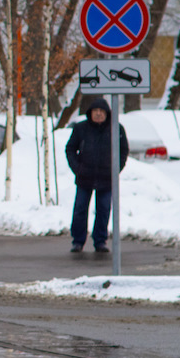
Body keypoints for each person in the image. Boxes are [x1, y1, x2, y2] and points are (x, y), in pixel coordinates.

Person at [65, 98, 129, 253]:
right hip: (84, 177)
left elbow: (123, 150)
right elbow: (70, 149)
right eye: (95, 111)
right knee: (80, 209)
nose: (99, 114)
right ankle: (78, 241)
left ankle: (100, 241)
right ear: (90, 113)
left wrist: (115, 169)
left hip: (106, 178)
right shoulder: (81, 128)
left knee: (104, 209)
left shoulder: (116, 129)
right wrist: (77, 168)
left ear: (107, 113)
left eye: (101, 111)